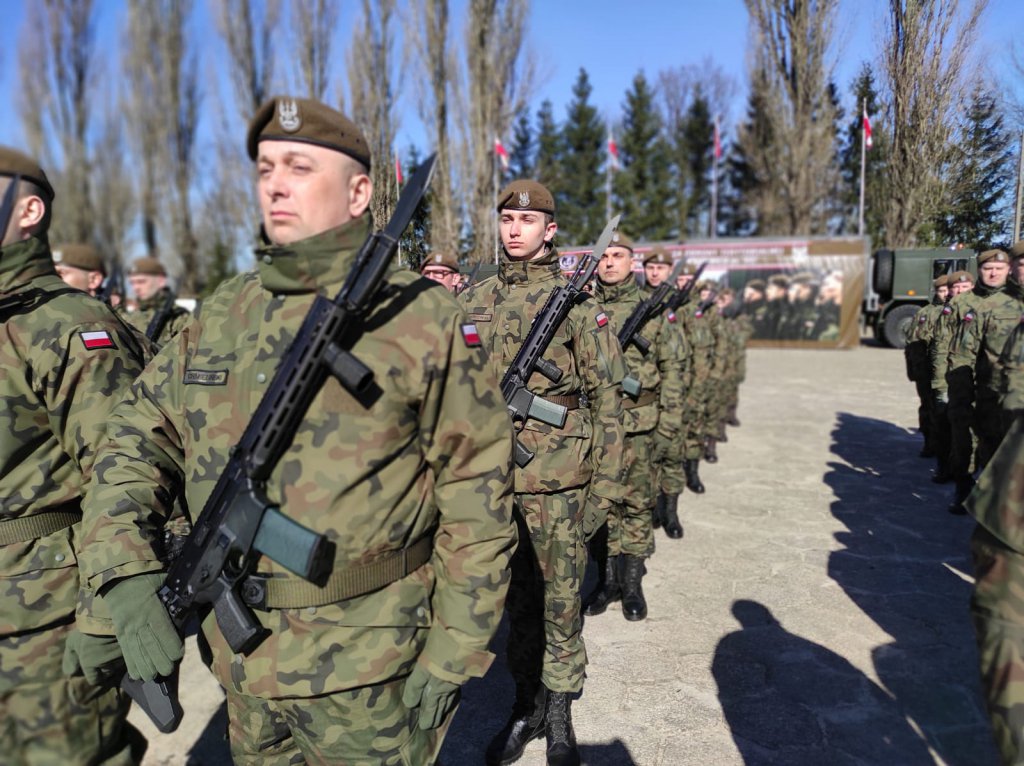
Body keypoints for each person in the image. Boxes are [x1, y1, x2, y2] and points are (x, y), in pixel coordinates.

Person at [76, 97, 517, 765]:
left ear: (360, 192)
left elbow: (478, 497)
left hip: (370, 669)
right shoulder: (225, 309)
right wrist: (123, 574)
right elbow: (133, 440)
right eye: (265, 168)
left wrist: (457, 650)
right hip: (244, 668)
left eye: (300, 166)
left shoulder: (422, 318)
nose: (276, 184)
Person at [459, 179, 625, 766]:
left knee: (560, 601)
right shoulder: (473, 301)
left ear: (549, 230)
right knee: (516, 603)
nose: (514, 229)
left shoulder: (580, 306)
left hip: (561, 483)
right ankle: (524, 706)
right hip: (492, 482)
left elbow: (609, 401)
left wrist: (605, 486)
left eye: (526, 221)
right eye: (506, 219)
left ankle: (560, 716)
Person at [0, 147, 150, 765]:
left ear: (28, 210)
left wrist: (102, 617)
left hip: (42, 627)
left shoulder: (68, 327)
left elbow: (131, 482)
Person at [586, 231, 685, 621]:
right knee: (602, 506)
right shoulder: (583, 308)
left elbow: (674, 371)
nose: (609, 262)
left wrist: (669, 428)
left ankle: (631, 584)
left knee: (638, 504)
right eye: (604, 256)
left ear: (633, 262)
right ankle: (606, 581)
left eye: (618, 255)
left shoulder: (654, 310)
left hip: (641, 427)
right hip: (597, 427)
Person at [945, 252, 1014, 514]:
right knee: (966, 441)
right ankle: (964, 488)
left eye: (999, 267)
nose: (994, 273)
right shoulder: (966, 303)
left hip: (1006, 393)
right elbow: (957, 347)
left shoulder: (1013, 302)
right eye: (988, 268)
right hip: (972, 385)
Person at [930, 270, 975, 488]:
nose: (959, 291)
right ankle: (944, 465)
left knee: (967, 432)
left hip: (970, 381)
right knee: (942, 424)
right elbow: (939, 347)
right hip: (945, 380)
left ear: (972, 288)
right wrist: (939, 382)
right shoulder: (946, 313)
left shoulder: (979, 311)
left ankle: (964, 476)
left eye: (964, 288)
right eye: (955, 287)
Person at [904, 274, 951, 458]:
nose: (945, 293)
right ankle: (929, 443)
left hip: (948, 372)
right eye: (941, 290)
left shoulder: (959, 311)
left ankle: (946, 448)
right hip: (925, 371)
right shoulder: (924, 313)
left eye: (947, 289)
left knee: (947, 410)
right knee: (927, 408)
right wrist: (913, 371)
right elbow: (911, 343)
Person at [122, 257, 190, 347]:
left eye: (141, 281)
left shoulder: (178, 317)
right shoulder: (128, 317)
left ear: (161, 281)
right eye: (132, 283)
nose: (136, 288)